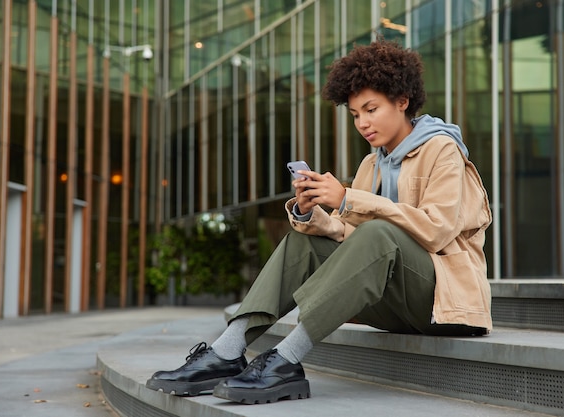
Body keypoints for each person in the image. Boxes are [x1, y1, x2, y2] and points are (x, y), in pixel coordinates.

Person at [146, 37, 492, 405]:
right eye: (356, 114)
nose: (363, 123)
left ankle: (286, 360)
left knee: (378, 233)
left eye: (371, 109)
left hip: (446, 302)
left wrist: (347, 197)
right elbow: (356, 239)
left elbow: (435, 231)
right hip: (394, 299)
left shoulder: (442, 150)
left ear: (402, 101)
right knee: (303, 238)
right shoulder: (372, 164)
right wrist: (316, 216)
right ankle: (226, 353)